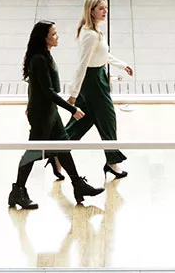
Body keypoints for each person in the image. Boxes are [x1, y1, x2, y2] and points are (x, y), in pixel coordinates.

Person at [8, 20, 104, 210]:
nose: (57, 36)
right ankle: (17, 191)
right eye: (53, 34)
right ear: (44, 38)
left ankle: (78, 185)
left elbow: (34, 85)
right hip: (42, 114)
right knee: (32, 153)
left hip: (50, 111)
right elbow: (47, 91)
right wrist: (72, 109)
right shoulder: (39, 59)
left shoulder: (45, 55)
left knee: (63, 146)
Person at [60, 0, 133, 180]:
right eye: (101, 8)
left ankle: (58, 151)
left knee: (83, 120)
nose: (105, 11)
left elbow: (102, 56)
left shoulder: (93, 32)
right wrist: (73, 94)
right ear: (91, 11)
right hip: (93, 82)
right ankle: (112, 163)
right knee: (108, 120)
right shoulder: (91, 35)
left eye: (105, 8)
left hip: (97, 76)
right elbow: (82, 64)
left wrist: (122, 65)